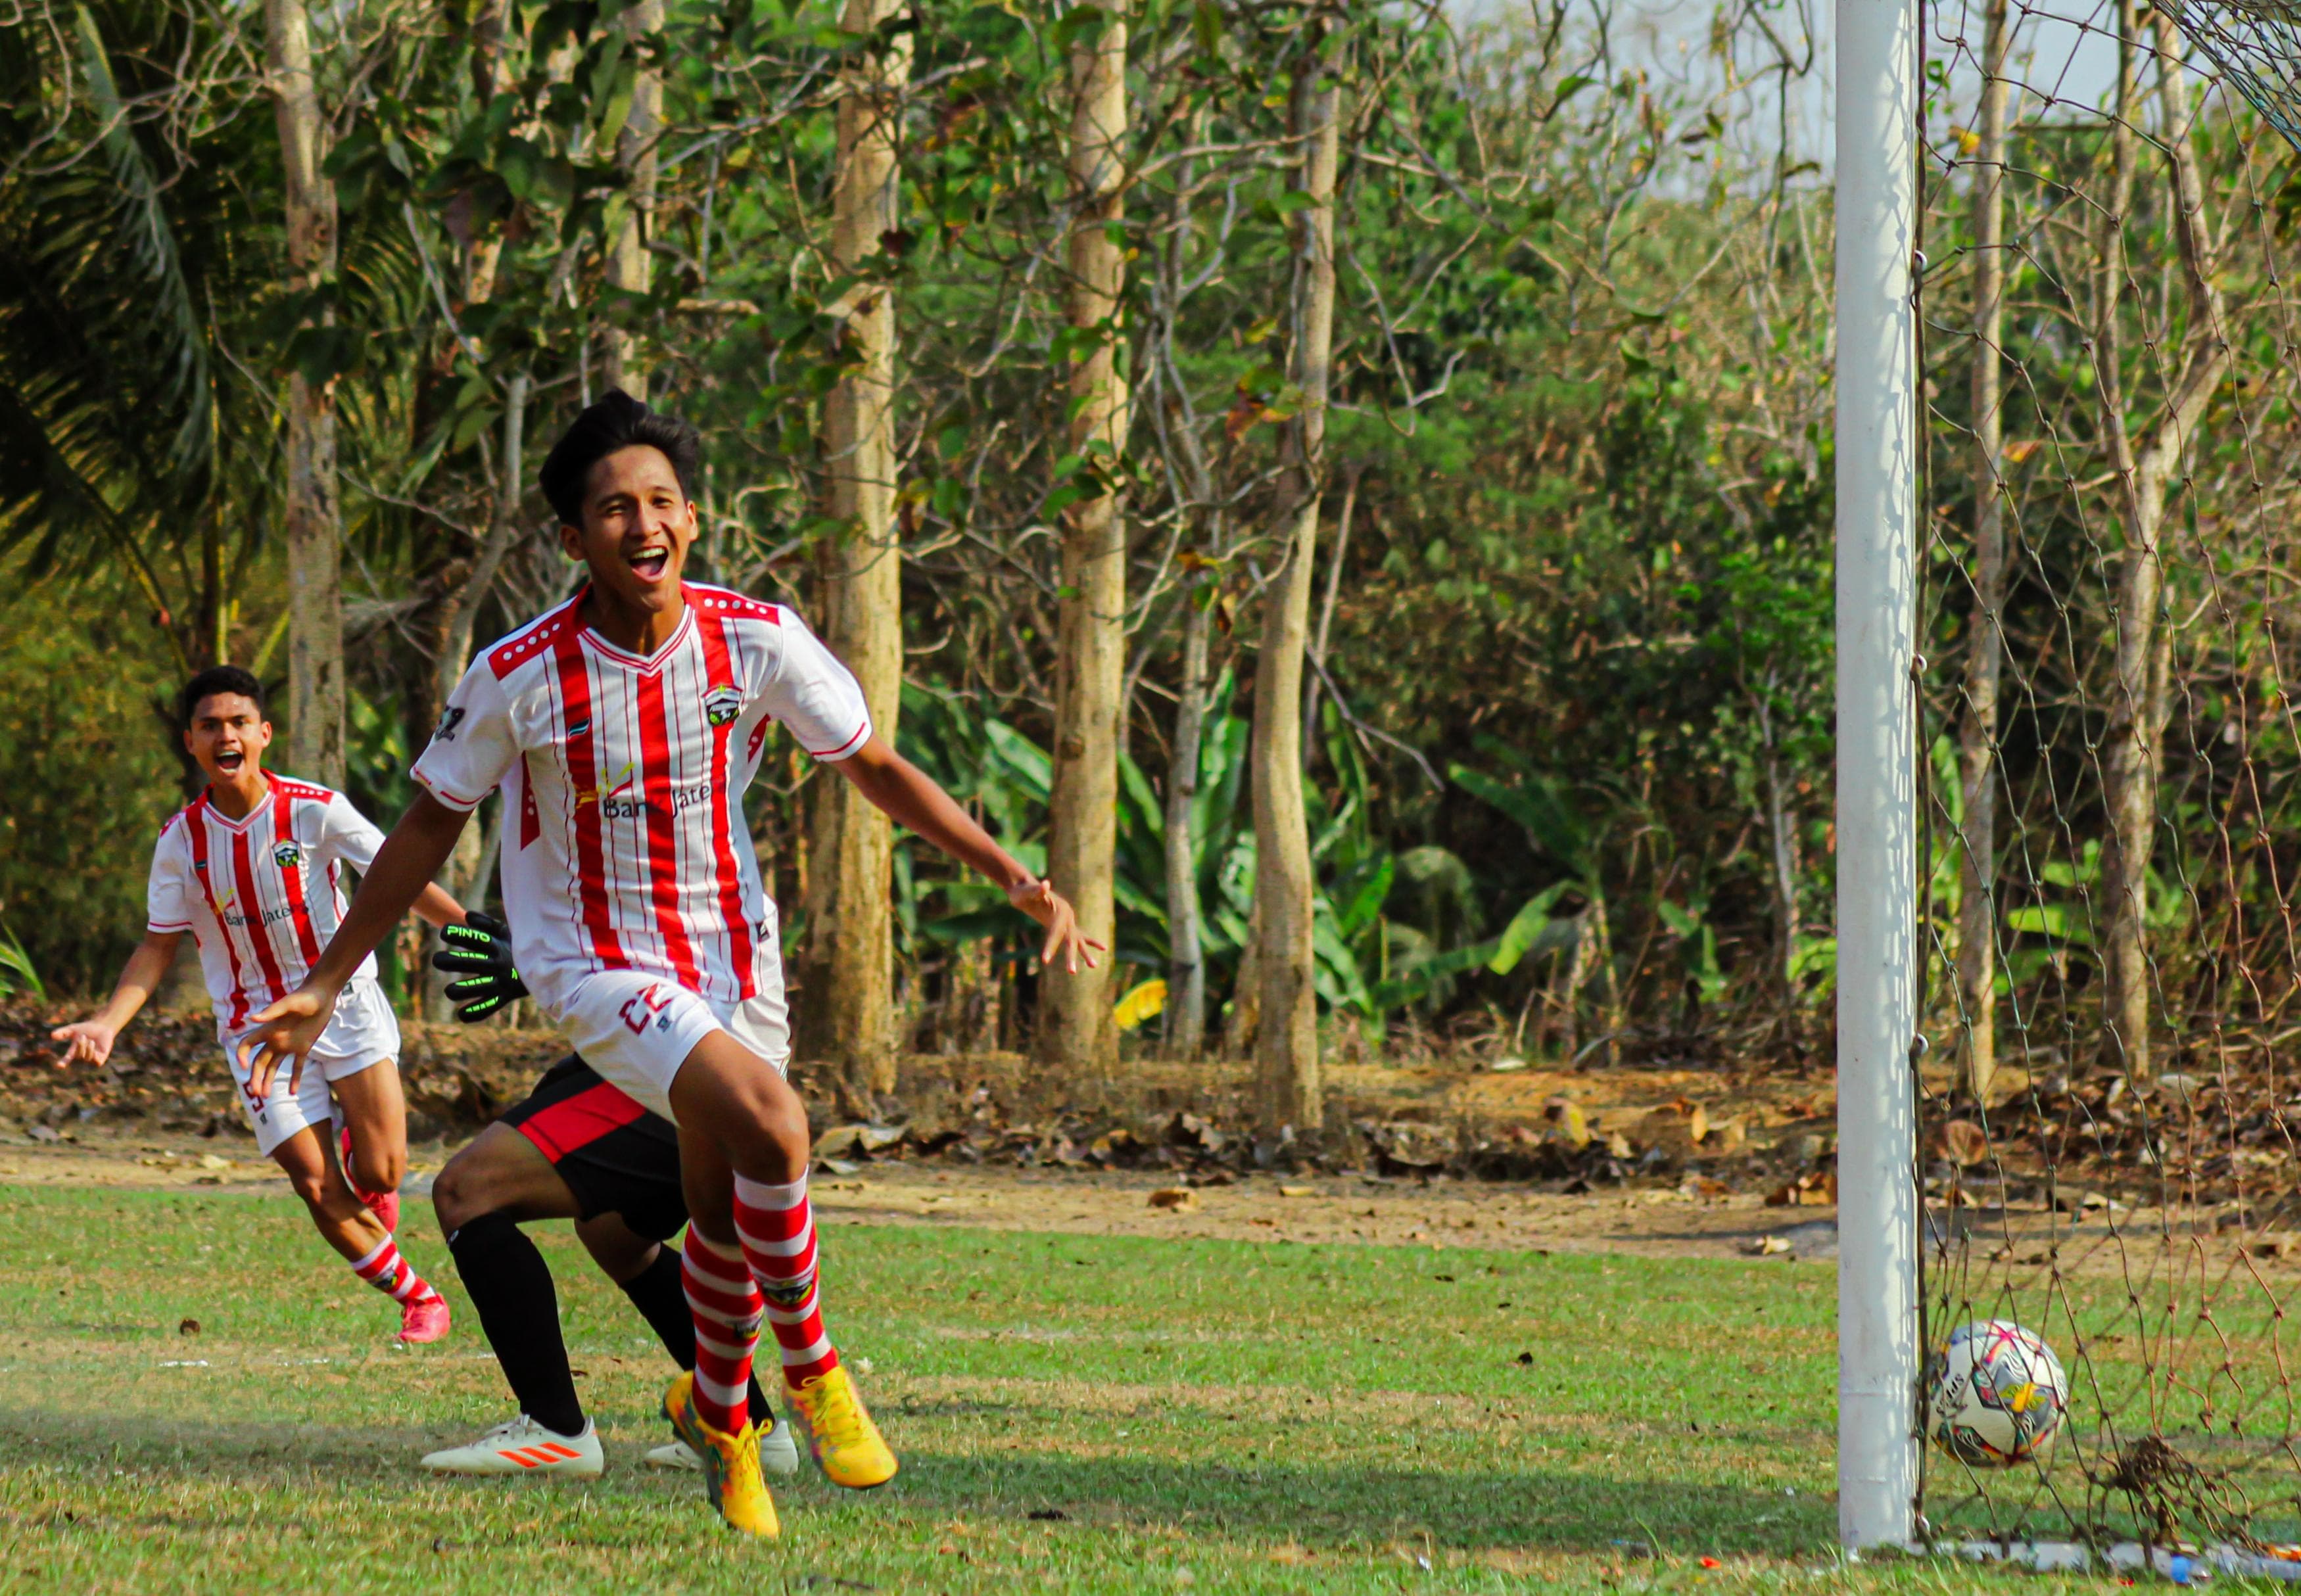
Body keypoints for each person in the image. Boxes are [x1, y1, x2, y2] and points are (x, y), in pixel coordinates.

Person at [239, 388, 1099, 1537]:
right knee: (778, 1125)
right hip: (592, 959)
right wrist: (329, 977)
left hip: (736, 961)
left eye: (661, 503)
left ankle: (721, 1420)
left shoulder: (756, 636)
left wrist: (1016, 875)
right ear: (572, 537)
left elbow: (875, 764)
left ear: (692, 519)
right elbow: (423, 830)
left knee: (723, 1211)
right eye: (612, 508)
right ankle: (816, 1371)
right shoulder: (521, 672)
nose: (642, 525)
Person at [52, 665, 467, 1344]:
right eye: (211, 724)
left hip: (345, 1006)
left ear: (264, 733)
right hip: (257, 1030)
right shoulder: (180, 842)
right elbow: (158, 945)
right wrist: (106, 1021)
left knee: (384, 1169)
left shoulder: (313, 809)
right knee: (312, 1182)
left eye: (239, 722)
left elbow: (399, 872)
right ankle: (419, 1298)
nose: (227, 734)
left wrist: (467, 928)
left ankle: (364, 1160)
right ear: (191, 741)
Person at [418, 949, 799, 1476]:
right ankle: (748, 1427)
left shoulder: (676, 876)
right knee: (614, 1235)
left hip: (686, 1067)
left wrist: (540, 964)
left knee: (467, 1191)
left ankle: (555, 1432)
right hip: (709, 1062)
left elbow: (663, 949)